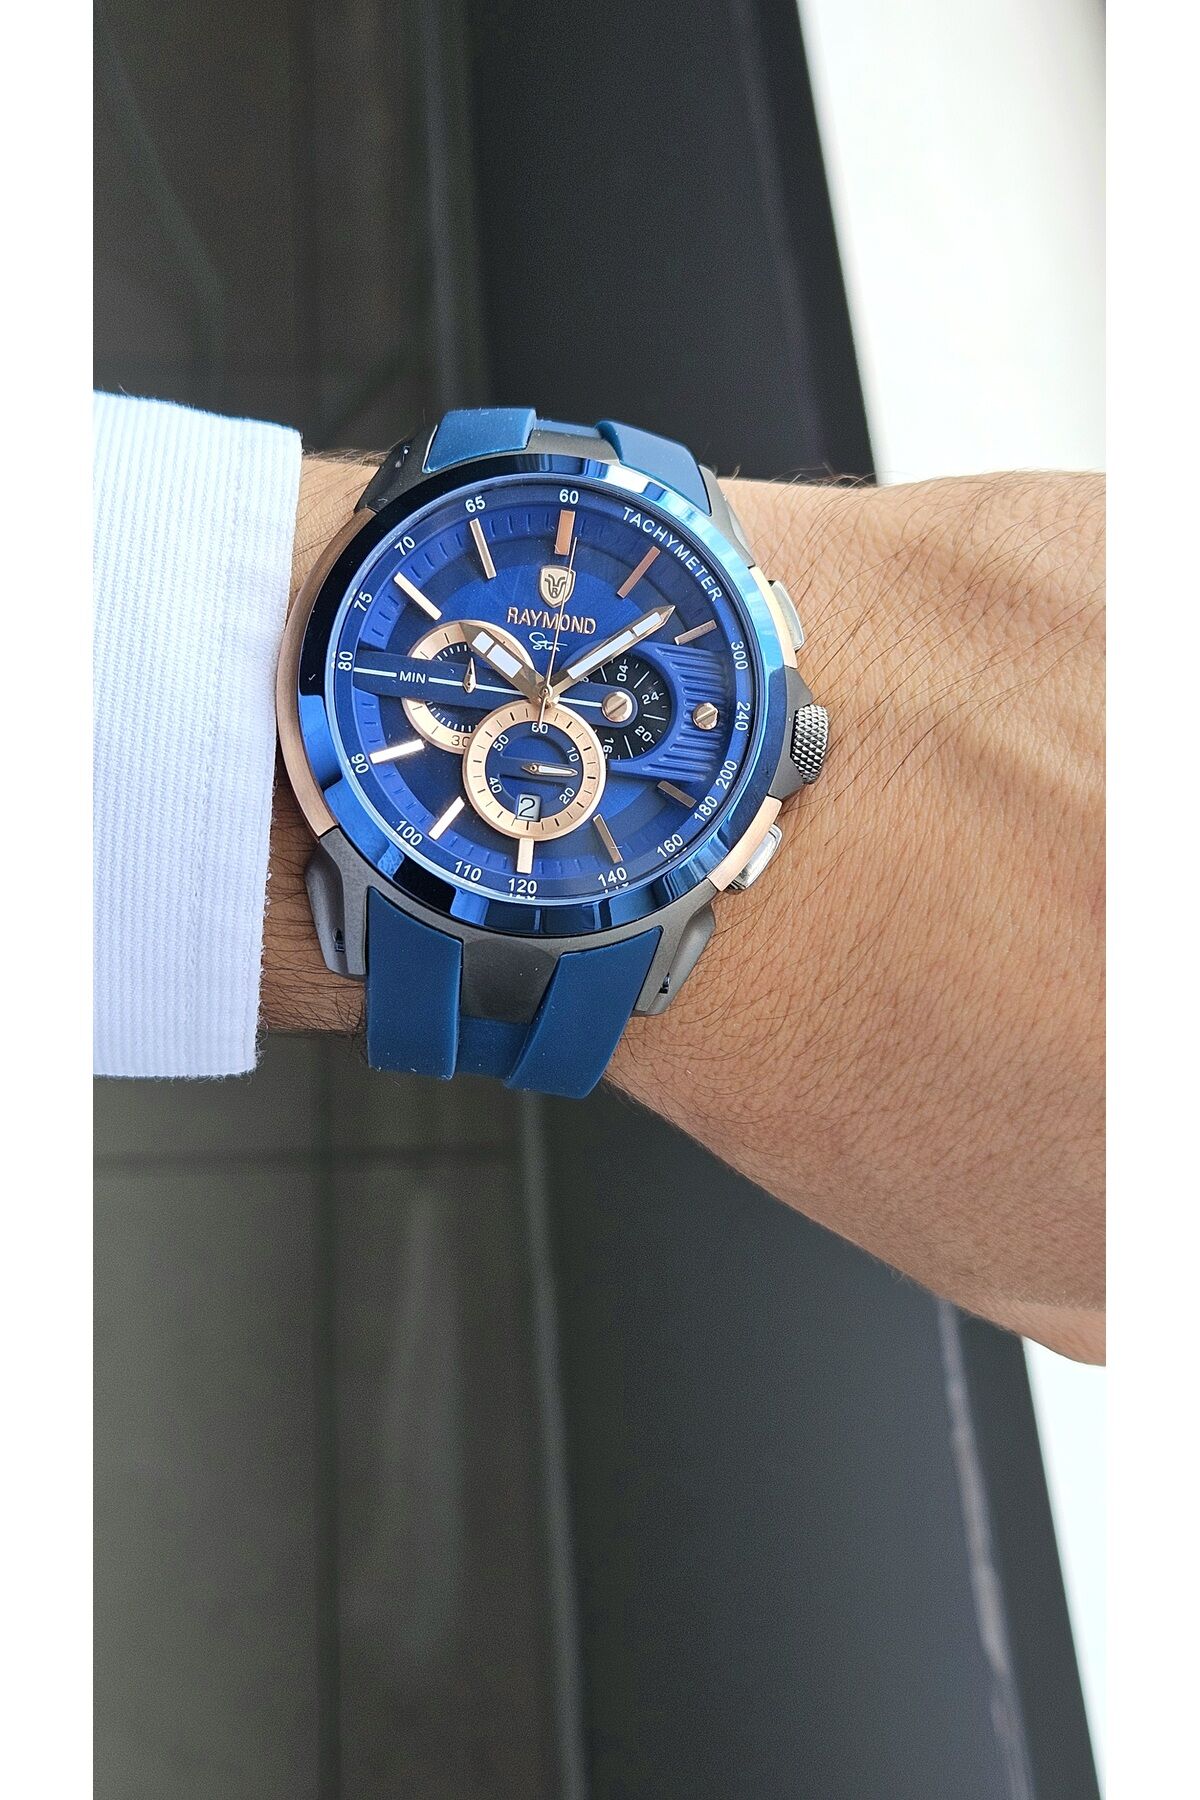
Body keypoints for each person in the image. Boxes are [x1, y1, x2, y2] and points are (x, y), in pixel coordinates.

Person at [95, 394, 1104, 1362]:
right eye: (523, 681)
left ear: (792, 747)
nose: (541, 693)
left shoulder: (740, 745)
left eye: (574, 689)